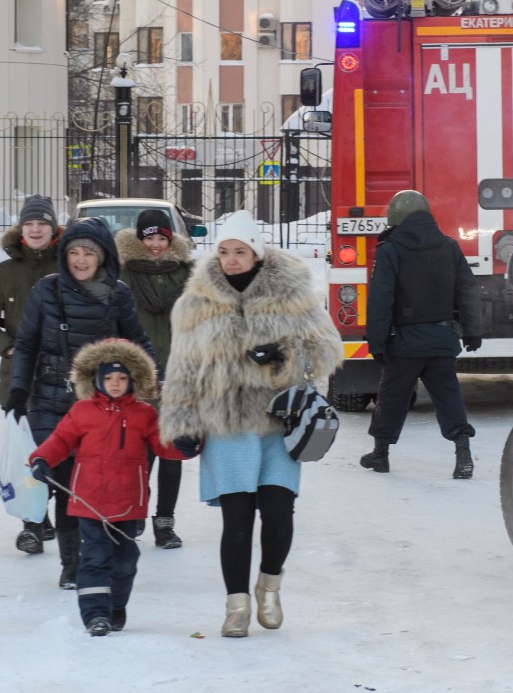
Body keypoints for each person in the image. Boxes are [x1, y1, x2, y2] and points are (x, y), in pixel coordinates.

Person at [160, 210, 341, 638]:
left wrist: (286, 354)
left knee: (279, 515)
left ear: (256, 253)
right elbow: (182, 367)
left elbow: (329, 349)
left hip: (277, 425)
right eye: (224, 251)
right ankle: (236, 606)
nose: (231, 259)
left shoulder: (291, 292)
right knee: (236, 521)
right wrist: (182, 419)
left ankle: (269, 586)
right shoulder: (194, 303)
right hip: (226, 426)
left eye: (240, 251)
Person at [7, 216, 156, 590]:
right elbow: (26, 344)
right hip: (50, 399)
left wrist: (155, 381)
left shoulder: (118, 294)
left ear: (103, 255)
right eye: (74, 252)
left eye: (89, 252)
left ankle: (97, 555)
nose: (81, 260)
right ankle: (71, 563)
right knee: (64, 482)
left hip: (99, 404)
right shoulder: (46, 291)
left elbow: (136, 341)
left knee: (89, 482)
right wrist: (18, 391)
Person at [28, 338, 188, 636]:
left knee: (126, 559)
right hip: (89, 500)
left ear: (133, 380)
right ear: (96, 379)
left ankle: (115, 605)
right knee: (95, 557)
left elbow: (163, 446)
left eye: (122, 378)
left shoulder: (144, 414)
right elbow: (61, 440)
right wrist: (42, 459)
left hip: (129, 502)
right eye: (109, 378)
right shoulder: (82, 411)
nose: (115, 384)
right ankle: (95, 614)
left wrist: (185, 445)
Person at [359, 189, 482, 480]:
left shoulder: (390, 250)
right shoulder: (449, 247)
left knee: (391, 398)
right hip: (441, 340)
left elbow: (380, 299)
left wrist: (376, 343)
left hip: (403, 344)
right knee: (448, 396)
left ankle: (380, 454)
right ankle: (463, 452)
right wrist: (472, 329)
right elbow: (467, 289)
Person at [0, 194, 62, 551]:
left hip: (61, 376)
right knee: (28, 451)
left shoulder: (68, 265)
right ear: (21, 229)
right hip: (20, 377)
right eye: (29, 224)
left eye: (42, 223)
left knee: (59, 449)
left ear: (53, 228)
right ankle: (32, 525)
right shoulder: (6, 272)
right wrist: (7, 346)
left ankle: (46, 513)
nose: (36, 229)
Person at [115, 208, 195, 549]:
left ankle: (165, 523)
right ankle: (134, 516)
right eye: (149, 238)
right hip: (140, 376)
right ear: (139, 239)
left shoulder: (189, 275)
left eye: (162, 238)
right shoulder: (123, 275)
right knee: (140, 454)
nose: (156, 245)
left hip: (178, 376)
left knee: (172, 454)